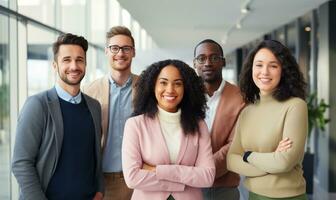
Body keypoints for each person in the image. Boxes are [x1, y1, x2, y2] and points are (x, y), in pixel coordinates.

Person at [11, 33, 104, 200]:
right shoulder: (37, 105)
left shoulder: (94, 107)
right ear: (55, 65)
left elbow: (95, 155)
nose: (74, 66)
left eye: (79, 60)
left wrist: (99, 190)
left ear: (85, 64)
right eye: (66, 60)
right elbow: (21, 164)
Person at [122, 59, 216, 200]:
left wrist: (158, 170)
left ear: (186, 88)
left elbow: (207, 177)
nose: (170, 89)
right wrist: (183, 180)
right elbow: (132, 178)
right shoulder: (135, 125)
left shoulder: (199, 125)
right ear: (153, 86)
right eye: (163, 82)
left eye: (178, 83)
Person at [227, 40, 308, 200]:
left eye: (273, 65)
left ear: (283, 70)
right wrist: (271, 162)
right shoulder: (247, 111)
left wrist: (248, 156)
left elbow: (284, 162)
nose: (265, 72)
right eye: (259, 65)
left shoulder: (295, 106)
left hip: (288, 197)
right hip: (253, 195)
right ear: (251, 69)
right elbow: (231, 160)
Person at [83, 26, 138, 199]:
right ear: (106, 51)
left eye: (126, 48)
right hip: (105, 183)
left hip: (140, 180)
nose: (120, 53)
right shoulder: (89, 91)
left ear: (133, 52)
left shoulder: (147, 88)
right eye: (115, 48)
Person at [193, 39, 245, 200]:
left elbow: (236, 145)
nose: (207, 63)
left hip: (224, 189)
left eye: (214, 58)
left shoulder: (241, 98)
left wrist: (200, 171)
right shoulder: (185, 96)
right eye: (202, 58)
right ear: (195, 63)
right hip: (187, 189)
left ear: (223, 62)